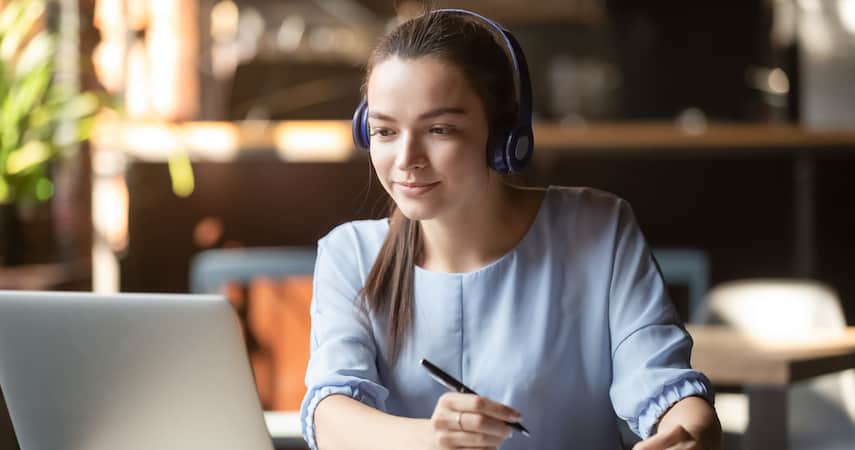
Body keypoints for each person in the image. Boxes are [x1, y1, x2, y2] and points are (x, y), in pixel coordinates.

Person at [299, 6, 721, 450]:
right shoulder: (350, 253)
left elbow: (667, 387)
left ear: (504, 137)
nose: (406, 160)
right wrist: (431, 439)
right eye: (385, 132)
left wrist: (692, 435)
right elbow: (331, 413)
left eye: (440, 129)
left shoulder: (598, 229)